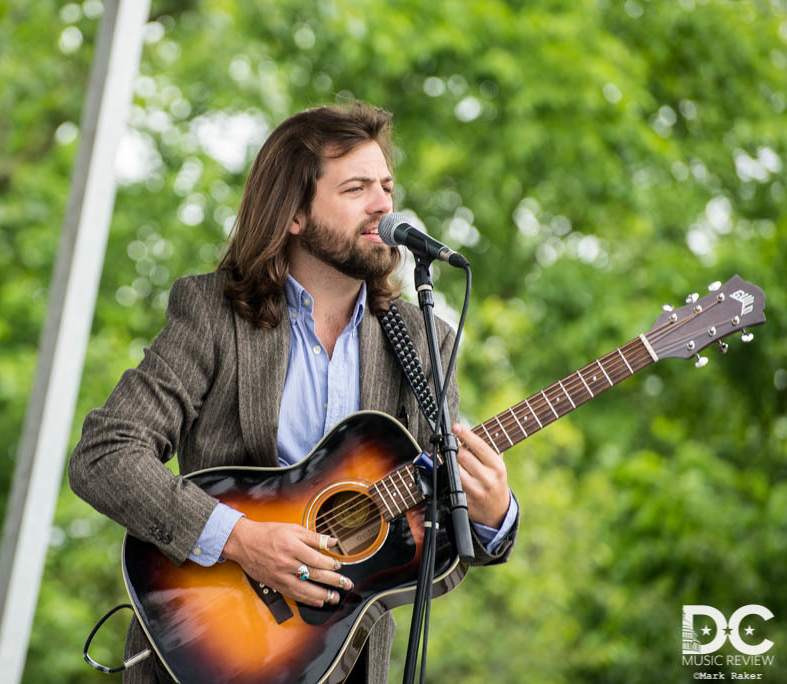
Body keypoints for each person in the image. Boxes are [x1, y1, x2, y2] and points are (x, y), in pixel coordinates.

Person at [69, 102, 519, 683]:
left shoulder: (422, 337)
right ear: (294, 216)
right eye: (356, 188)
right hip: (207, 650)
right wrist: (241, 538)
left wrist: (490, 515)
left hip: (344, 663)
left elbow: (433, 553)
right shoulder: (212, 313)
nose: (384, 204)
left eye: (386, 186)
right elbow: (106, 454)